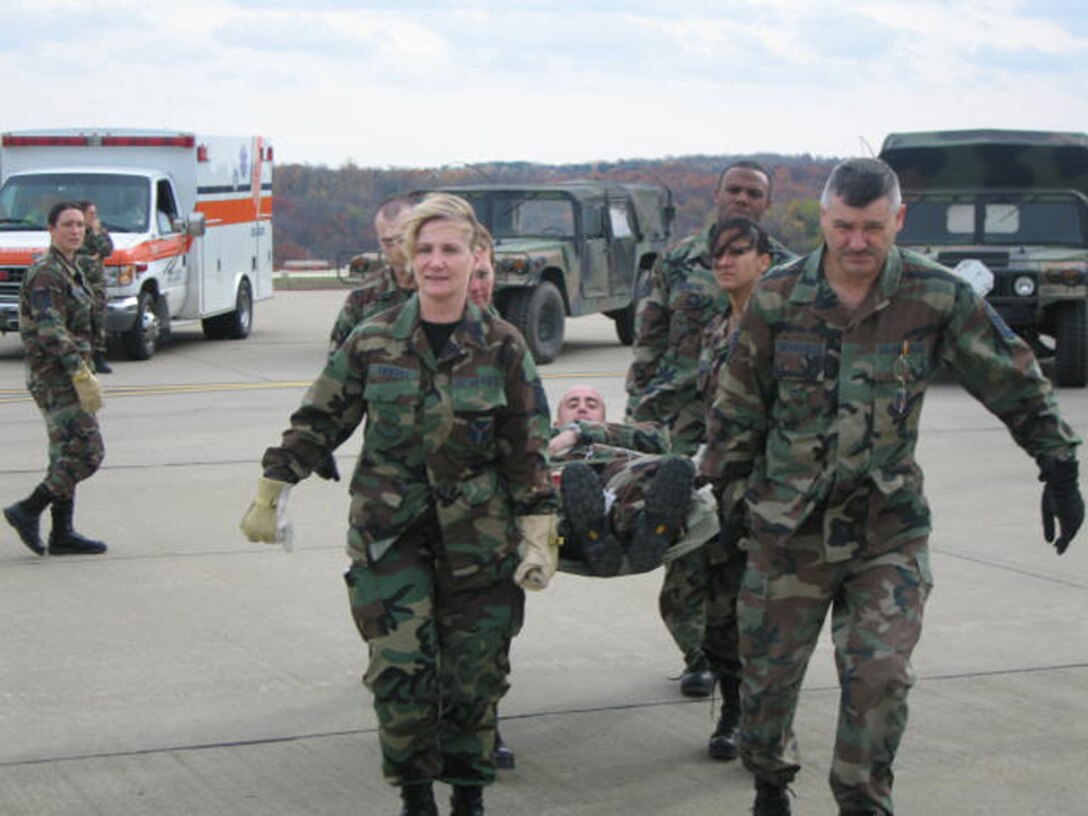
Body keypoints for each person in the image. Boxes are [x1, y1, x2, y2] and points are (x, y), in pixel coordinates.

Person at [702, 157, 1084, 816]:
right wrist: (725, 501)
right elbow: (738, 406)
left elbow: (1011, 377)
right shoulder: (779, 296)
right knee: (765, 689)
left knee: (880, 678)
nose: (856, 242)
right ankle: (769, 782)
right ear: (823, 219)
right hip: (786, 532)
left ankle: (863, 801)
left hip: (887, 529)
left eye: (873, 227)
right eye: (844, 226)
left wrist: (1059, 465)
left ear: (898, 220)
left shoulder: (937, 296)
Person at [241, 193, 557, 816]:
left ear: (475, 258)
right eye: (425, 250)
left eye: (450, 250)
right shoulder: (372, 340)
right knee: (400, 675)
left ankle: (469, 797)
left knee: (475, 680)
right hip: (390, 541)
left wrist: (539, 530)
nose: (436, 263)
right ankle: (416, 798)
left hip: (478, 544)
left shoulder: (504, 346)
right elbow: (318, 420)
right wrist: (273, 486)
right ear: (409, 260)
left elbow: (527, 448)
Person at [626, 160, 795, 698]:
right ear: (717, 194)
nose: (743, 199)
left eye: (754, 193)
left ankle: (744, 661)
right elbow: (649, 335)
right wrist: (640, 412)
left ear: (765, 204)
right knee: (685, 541)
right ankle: (696, 651)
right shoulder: (678, 262)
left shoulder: (788, 270)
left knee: (744, 548)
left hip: (754, 436)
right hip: (683, 423)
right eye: (735, 190)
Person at [694, 217, 774, 761]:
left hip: (773, 495)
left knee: (767, 620)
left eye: (737, 252)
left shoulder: (788, 327)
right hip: (721, 494)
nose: (725, 261)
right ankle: (732, 710)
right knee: (719, 613)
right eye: (717, 254)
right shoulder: (716, 330)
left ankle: (766, 727)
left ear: (764, 261)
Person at [3, 201, 107, 556]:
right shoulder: (47, 272)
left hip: (70, 373)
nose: (76, 230)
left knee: (65, 453)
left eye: (80, 224)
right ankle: (28, 509)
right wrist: (78, 371)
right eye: (68, 225)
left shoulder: (72, 267)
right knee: (88, 453)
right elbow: (51, 330)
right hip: (58, 377)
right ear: (51, 229)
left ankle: (62, 532)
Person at [550, 385, 709, 577]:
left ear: (603, 419)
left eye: (592, 404)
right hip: (563, 504)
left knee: (659, 469)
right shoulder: (543, 442)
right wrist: (554, 440)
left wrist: (579, 432)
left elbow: (659, 438)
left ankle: (649, 531)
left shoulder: (621, 439)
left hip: (617, 487)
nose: (583, 408)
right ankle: (585, 537)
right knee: (565, 484)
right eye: (572, 404)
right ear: (557, 421)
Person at [327, 195, 417, 355]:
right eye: (388, 242)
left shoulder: (444, 289)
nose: (398, 250)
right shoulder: (364, 296)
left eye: (403, 239)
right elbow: (337, 362)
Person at [76, 200, 114, 374]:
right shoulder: (75, 232)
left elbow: (107, 250)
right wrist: (90, 257)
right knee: (80, 321)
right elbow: (72, 255)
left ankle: (99, 357)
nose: (94, 217)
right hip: (77, 285)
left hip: (96, 285)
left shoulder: (98, 231)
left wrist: (97, 233)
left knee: (98, 320)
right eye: (91, 213)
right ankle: (82, 358)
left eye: (95, 213)